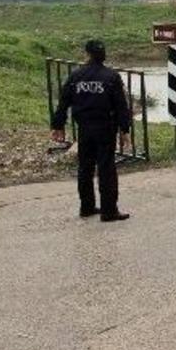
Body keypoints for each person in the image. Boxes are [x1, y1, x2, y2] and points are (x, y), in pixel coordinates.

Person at [50, 40, 132, 222]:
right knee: (106, 168)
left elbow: (64, 102)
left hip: (84, 128)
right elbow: (120, 106)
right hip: (105, 128)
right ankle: (109, 211)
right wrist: (124, 130)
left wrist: (58, 125)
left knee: (85, 168)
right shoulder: (111, 77)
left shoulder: (76, 76)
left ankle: (86, 207)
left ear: (87, 54)